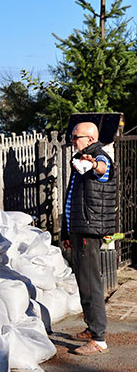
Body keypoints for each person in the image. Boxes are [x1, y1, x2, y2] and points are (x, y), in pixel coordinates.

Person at [61, 121, 116, 355]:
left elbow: (103, 170)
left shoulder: (99, 156)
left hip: (88, 229)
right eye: (72, 137)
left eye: (76, 137)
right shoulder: (81, 159)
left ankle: (99, 339)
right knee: (83, 280)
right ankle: (91, 328)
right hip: (78, 227)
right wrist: (66, 232)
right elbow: (72, 197)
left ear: (90, 139)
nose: (72, 141)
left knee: (90, 282)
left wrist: (95, 165)